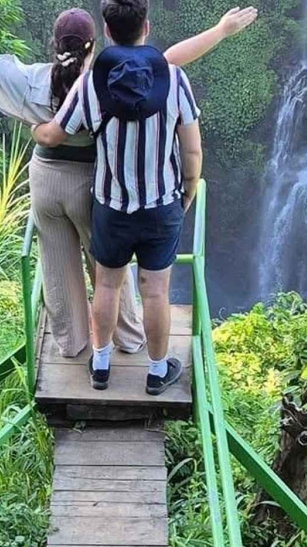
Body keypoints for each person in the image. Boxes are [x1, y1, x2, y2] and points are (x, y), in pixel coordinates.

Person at [0, 7, 254, 359]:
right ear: (97, 40)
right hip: (92, 184)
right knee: (108, 273)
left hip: (46, 182)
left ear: (56, 43)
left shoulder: (34, 77)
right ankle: (128, 338)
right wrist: (221, 30)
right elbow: (169, 61)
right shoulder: (106, 77)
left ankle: (71, 343)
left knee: (56, 262)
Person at [34, 0, 200, 396]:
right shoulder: (175, 79)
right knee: (156, 290)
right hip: (161, 205)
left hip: (111, 205)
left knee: (107, 286)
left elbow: (57, 133)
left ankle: (102, 366)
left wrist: (35, 130)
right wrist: (186, 195)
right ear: (147, 26)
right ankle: (157, 372)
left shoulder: (91, 83)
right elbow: (192, 152)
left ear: (107, 32)